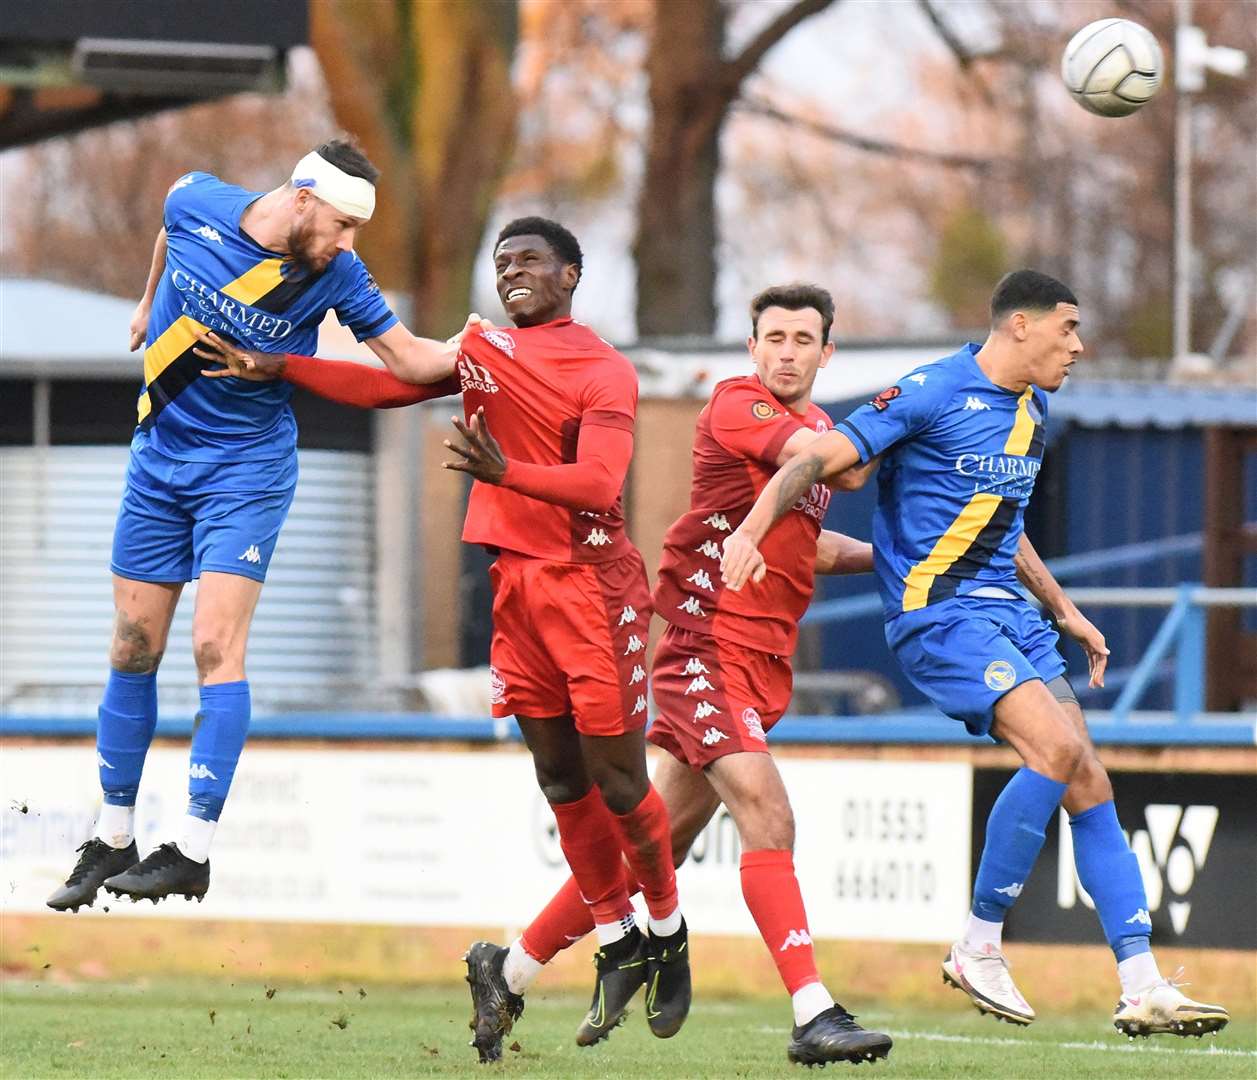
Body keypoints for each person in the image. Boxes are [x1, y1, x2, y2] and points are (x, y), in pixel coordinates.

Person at [195, 216, 691, 1061]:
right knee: (557, 777)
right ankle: (616, 939)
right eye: (502, 263)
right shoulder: (482, 350)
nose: (512, 273)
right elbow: (394, 385)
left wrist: (509, 473)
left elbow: (601, 481)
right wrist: (284, 366)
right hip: (515, 586)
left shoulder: (603, 367)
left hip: (590, 584)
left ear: (570, 274)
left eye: (530, 260)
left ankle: (668, 934)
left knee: (617, 781)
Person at [720, 270, 1229, 1040]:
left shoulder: (1035, 408)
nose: (1078, 346)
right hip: (940, 617)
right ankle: (978, 943)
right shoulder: (928, 390)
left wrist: (1064, 609)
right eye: (1068, 329)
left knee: (1086, 773)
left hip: (1011, 618)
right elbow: (813, 461)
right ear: (1020, 326)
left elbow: (1002, 521)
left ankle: (1140, 982)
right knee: (1055, 750)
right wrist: (749, 533)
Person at [452, 284, 895, 1067]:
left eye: (803, 339)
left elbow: (809, 546)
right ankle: (813, 1012)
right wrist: (904, 423)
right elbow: (836, 467)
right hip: (706, 647)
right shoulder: (738, 406)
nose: (786, 352)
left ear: (827, 354)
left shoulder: (817, 436)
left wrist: (899, 564)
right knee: (768, 813)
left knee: (655, 846)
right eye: (773, 337)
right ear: (751, 349)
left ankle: (508, 969)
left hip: (759, 661)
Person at [47, 140, 466, 912]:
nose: (348, 244)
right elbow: (168, 232)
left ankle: (194, 849)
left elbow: (407, 362)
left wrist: (477, 350)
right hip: (158, 458)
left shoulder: (335, 274)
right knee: (132, 645)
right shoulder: (197, 201)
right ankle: (112, 837)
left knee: (214, 644)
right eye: (341, 224)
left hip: (245, 471)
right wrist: (147, 302)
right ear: (302, 196)